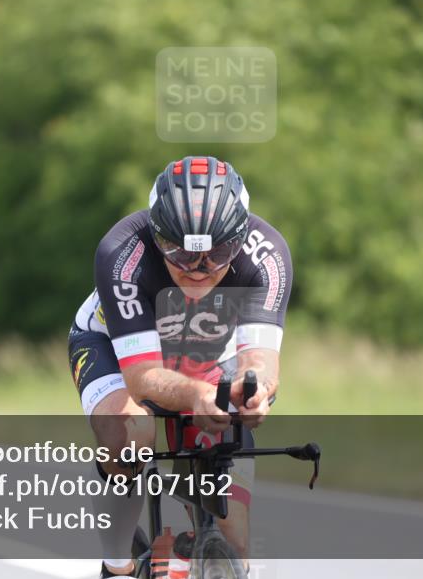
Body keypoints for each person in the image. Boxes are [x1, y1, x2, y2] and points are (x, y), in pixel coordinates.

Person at [68, 156, 293, 577]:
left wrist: (257, 390)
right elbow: (142, 379)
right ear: (157, 237)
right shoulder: (122, 251)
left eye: (217, 254)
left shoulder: (267, 256)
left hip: (211, 358)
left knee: (236, 538)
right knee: (131, 432)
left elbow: (260, 359)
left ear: (240, 239)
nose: (196, 270)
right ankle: (116, 564)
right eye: (178, 253)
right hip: (116, 350)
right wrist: (196, 395)